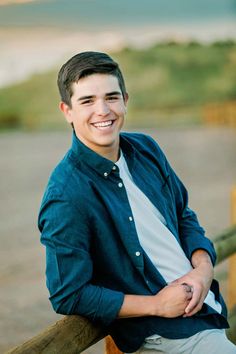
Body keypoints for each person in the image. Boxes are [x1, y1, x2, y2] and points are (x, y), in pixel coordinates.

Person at [38, 51, 236, 354]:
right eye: (87, 101)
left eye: (112, 97)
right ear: (66, 110)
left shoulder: (145, 148)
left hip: (209, 312)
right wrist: (156, 305)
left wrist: (203, 269)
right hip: (167, 336)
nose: (103, 110)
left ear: (125, 100)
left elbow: (183, 215)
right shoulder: (66, 193)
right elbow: (68, 294)